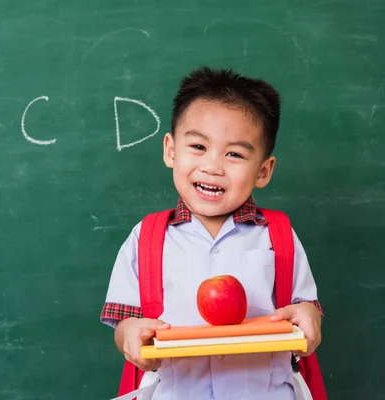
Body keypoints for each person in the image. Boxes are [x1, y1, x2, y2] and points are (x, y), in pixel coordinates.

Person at [100, 66, 322, 399]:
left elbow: (306, 309)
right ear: (171, 150)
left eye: (234, 153)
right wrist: (130, 334)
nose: (213, 166)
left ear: (263, 170)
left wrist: (308, 317)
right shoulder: (145, 238)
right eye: (198, 147)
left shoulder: (278, 234)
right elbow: (124, 320)